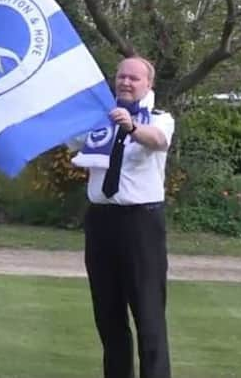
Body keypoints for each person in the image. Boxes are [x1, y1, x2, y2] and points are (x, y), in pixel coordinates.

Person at [70, 57, 175, 378]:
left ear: (148, 85)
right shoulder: (99, 121)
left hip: (140, 223)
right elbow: (71, 140)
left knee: (148, 313)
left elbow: (158, 141)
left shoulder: (159, 119)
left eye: (134, 78)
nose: (126, 82)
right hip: (101, 222)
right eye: (121, 77)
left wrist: (130, 126)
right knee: (108, 314)